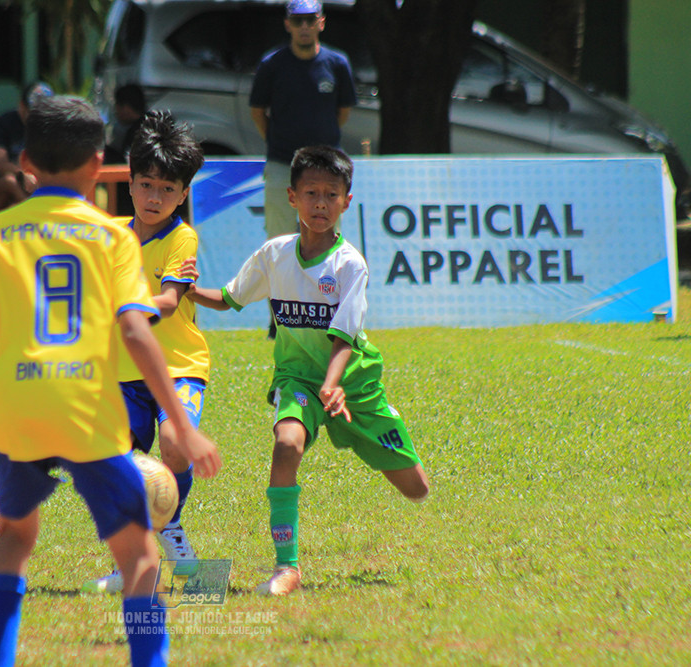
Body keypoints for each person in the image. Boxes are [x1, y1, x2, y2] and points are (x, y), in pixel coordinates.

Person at [0, 95, 222, 667]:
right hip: (86, 407)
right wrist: (184, 426)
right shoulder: (111, 238)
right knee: (140, 555)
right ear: (99, 164)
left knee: (14, 537)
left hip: (16, 406)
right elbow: (136, 332)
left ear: (24, 161)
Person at [187, 145, 429, 596]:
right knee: (286, 445)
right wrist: (186, 289)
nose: (321, 203)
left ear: (346, 202)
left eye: (331, 194)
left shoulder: (349, 264)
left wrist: (333, 386)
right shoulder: (274, 254)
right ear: (292, 197)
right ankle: (287, 567)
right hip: (298, 380)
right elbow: (229, 298)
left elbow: (344, 338)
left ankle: (366, 433)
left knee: (417, 489)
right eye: (311, 193)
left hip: (353, 386)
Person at [84, 110, 209, 594]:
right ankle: (134, 559)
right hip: (121, 370)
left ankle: (171, 527)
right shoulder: (110, 236)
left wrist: (115, 307)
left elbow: (169, 303)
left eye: (167, 189)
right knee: (121, 461)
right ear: (130, 183)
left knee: (175, 444)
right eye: (146, 185)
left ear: (183, 194)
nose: (155, 198)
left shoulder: (182, 237)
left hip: (179, 366)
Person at [250, 0, 356, 335]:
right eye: (298, 21)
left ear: (321, 22)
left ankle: (330, 314)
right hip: (283, 164)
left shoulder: (337, 63)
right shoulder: (272, 64)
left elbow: (342, 112)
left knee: (327, 240)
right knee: (280, 240)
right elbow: (258, 111)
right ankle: (278, 319)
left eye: (310, 20)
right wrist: (281, 146)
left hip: (328, 172)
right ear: (288, 25)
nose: (304, 27)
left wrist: (319, 155)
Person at [0, 81, 54, 212]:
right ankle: (33, 210)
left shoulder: (51, 128)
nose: (39, 119)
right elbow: (0, 164)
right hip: (7, 179)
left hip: (40, 181)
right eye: (34, 113)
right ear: (22, 106)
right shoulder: (2, 124)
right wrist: (23, 174)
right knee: (9, 182)